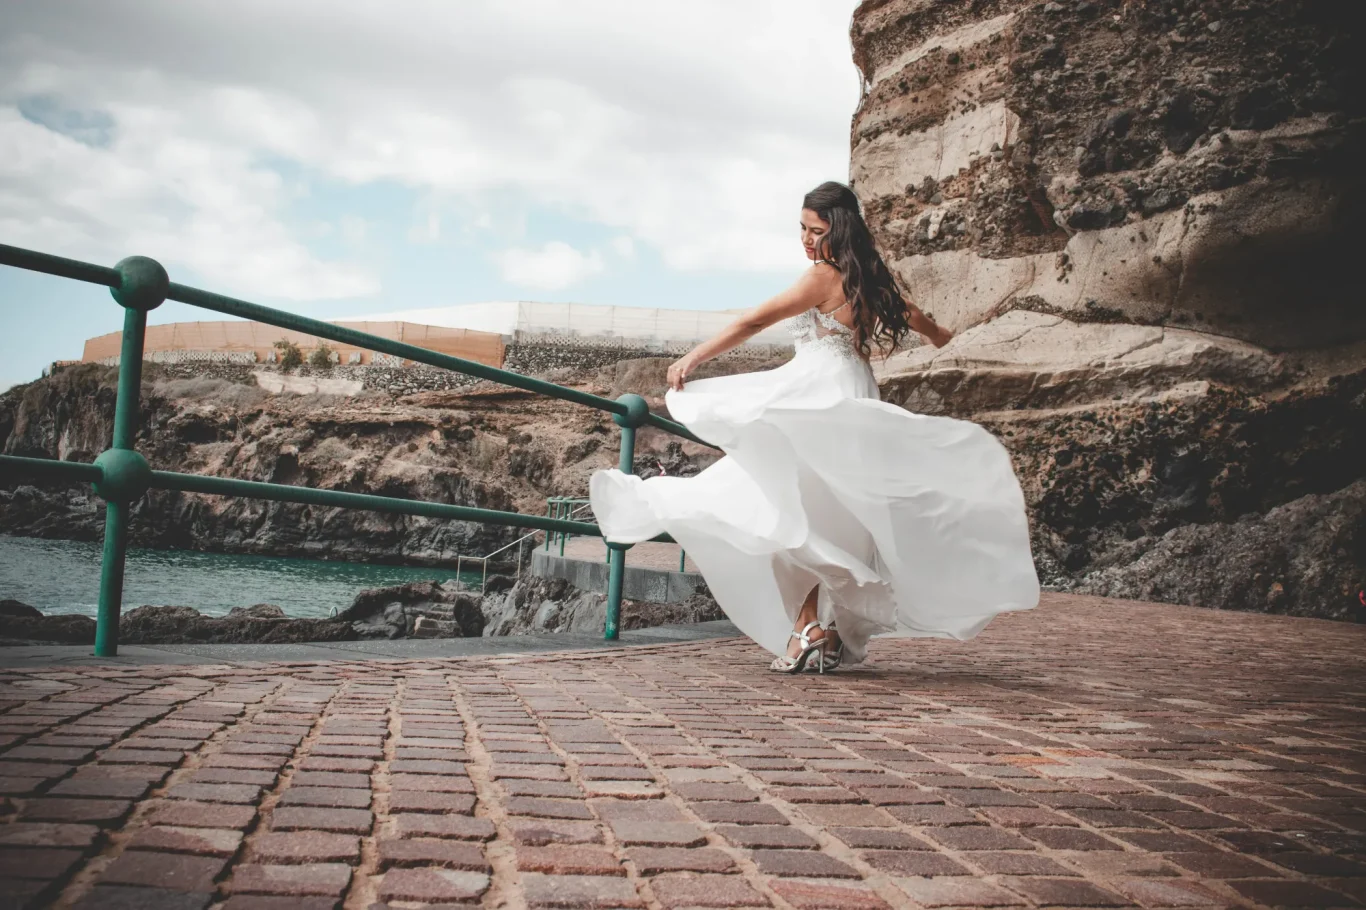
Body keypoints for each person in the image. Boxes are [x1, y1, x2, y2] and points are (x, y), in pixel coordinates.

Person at [589, 181, 1040, 673]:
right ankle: (817, 632)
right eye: (801, 228)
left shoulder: (822, 277)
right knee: (827, 516)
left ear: (839, 230)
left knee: (788, 508)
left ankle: (807, 631)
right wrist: (942, 337)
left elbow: (753, 322)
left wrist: (693, 357)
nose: (806, 239)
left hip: (818, 392)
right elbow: (915, 317)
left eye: (817, 230)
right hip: (852, 391)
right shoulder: (870, 277)